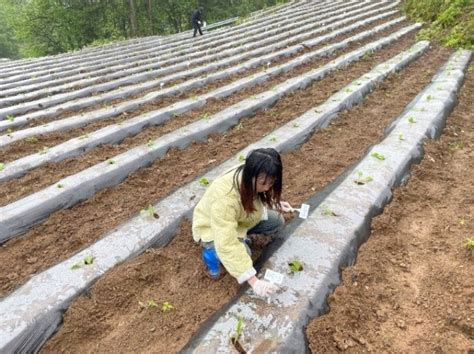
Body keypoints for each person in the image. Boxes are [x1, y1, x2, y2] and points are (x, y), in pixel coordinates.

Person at [192, 148, 293, 298]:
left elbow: (258, 194)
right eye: (263, 183)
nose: (267, 187)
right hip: (213, 228)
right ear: (251, 175)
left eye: (271, 183)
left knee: (276, 221)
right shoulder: (225, 199)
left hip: (240, 219)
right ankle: (211, 253)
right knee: (244, 254)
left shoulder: (249, 174)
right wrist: (254, 282)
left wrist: (274, 203)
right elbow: (226, 242)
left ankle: (243, 238)